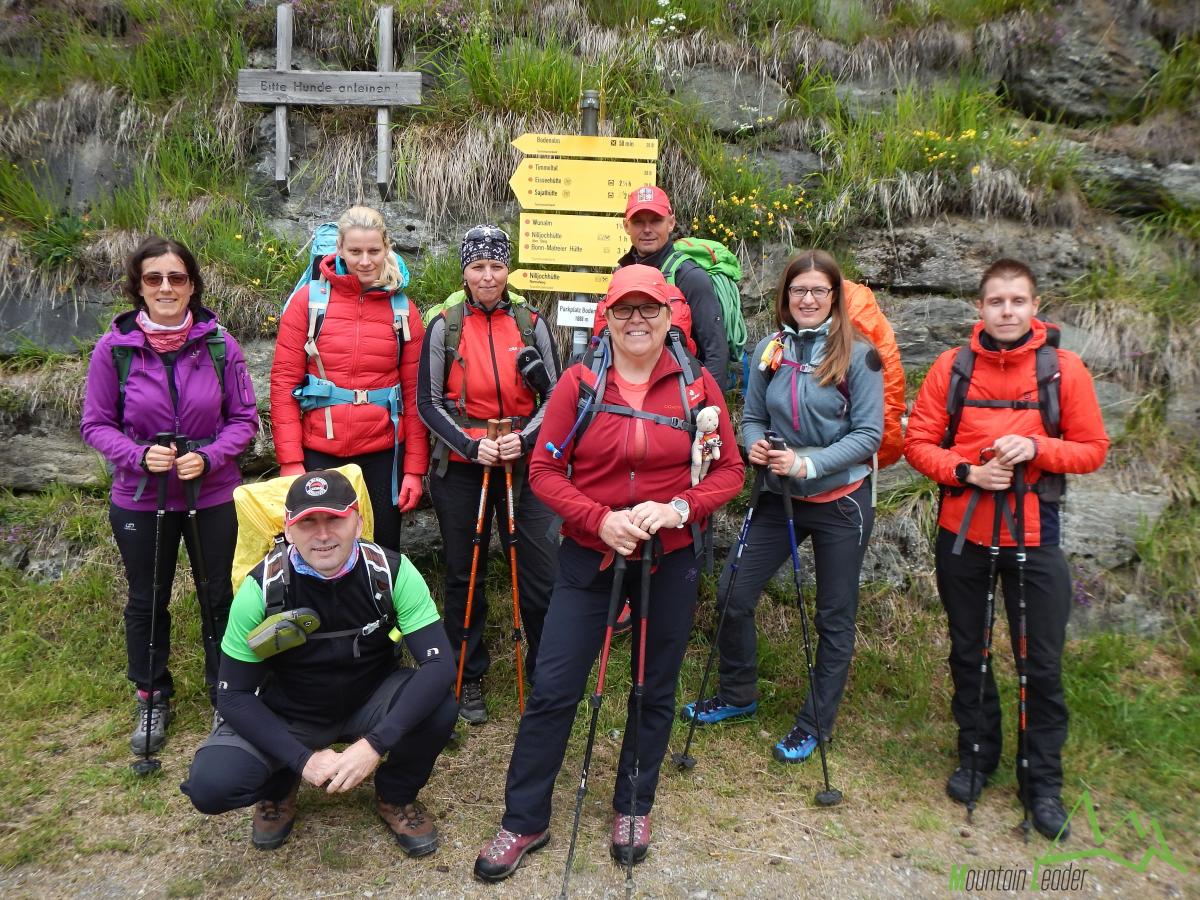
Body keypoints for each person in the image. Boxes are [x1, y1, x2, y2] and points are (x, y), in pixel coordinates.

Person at [473, 264, 744, 881]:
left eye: (649, 309)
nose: (637, 320)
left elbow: (728, 471)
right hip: (587, 558)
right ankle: (524, 819)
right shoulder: (580, 383)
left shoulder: (698, 386)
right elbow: (544, 473)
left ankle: (632, 804)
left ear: (669, 316)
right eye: (625, 309)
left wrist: (679, 507)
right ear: (608, 319)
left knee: (654, 686)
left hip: (669, 558)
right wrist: (599, 520)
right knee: (553, 687)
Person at [904, 259, 1108, 839]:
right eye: (997, 302)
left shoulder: (1062, 370)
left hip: (1036, 534)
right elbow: (918, 442)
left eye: (1018, 301)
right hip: (964, 531)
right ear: (980, 308)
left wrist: (1036, 447)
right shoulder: (953, 367)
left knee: (1039, 663)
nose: (1008, 311)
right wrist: (967, 471)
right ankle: (975, 755)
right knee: (969, 652)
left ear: (1035, 305)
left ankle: (1041, 783)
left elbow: (1092, 448)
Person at [180, 469, 457, 855]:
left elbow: (441, 666)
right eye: (308, 522)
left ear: (358, 521)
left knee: (440, 706)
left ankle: (394, 795)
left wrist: (374, 745)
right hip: (291, 713)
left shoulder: (392, 572)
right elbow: (234, 695)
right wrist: (302, 760)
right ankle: (279, 789)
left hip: (370, 699)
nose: (323, 535)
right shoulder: (260, 590)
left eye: (335, 518)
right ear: (288, 531)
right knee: (212, 786)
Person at [682, 250, 884, 764]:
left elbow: (868, 435)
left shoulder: (859, 355)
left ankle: (814, 722)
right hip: (778, 494)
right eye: (799, 291)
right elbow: (750, 415)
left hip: (840, 500)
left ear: (834, 296)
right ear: (786, 298)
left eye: (819, 290)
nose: (808, 299)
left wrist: (808, 464)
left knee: (833, 616)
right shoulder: (771, 349)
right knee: (733, 592)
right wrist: (753, 445)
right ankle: (737, 694)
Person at [81, 236, 259, 753]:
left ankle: (228, 696)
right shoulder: (113, 350)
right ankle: (152, 695)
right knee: (147, 598)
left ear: (192, 285)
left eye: (176, 277)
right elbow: (95, 423)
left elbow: (244, 419)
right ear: (138, 286)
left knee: (218, 597)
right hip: (140, 495)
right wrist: (138, 456)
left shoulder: (221, 345)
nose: (165, 287)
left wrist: (208, 456)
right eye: (154, 278)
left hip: (211, 493)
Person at [417, 225, 561, 724]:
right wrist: (470, 445)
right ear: (465, 271)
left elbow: (555, 398)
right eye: (478, 266)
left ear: (508, 270)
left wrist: (523, 441)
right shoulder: (444, 325)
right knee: (466, 574)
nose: (488, 275)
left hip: (525, 465)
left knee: (540, 573)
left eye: (497, 266)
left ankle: (546, 675)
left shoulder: (530, 321)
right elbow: (428, 404)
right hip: (462, 467)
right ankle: (467, 675)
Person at [269, 206, 428, 551]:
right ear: (338, 249)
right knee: (320, 549)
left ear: (387, 248)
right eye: (355, 251)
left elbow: (416, 395)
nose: (365, 261)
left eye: (374, 250)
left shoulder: (403, 310)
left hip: (383, 454)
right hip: (319, 452)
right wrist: (291, 461)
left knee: (383, 550)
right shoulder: (307, 303)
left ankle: (380, 607)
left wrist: (414, 469)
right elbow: (283, 384)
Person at [617, 186, 730, 391]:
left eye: (656, 220)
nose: (647, 229)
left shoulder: (690, 276)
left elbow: (716, 351)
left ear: (671, 223)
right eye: (638, 222)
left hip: (679, 398)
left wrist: (709, 407)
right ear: (626, 226)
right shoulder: (621, 274)